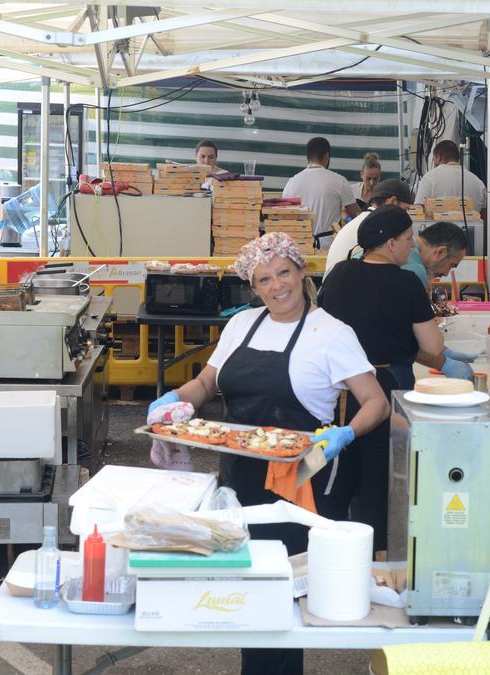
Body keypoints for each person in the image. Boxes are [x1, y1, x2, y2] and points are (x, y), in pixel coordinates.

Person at [147, 232, 389, 675]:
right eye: (264, 279)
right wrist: (176, 400)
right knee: (247, 582)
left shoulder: (331, 333)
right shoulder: (242, 325)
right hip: (240, 468)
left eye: (284, 273)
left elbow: (376, 402)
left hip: (303, 472)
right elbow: (206, 384)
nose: (278, 286)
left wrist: (344, 434)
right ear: (253, 287)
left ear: (302, 272)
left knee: (282, 588)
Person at [318, 205, 465, 551]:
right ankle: (377, 554)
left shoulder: (339, 273)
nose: (411, 245)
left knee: (336, 469)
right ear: (389, 243)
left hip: (338, 388)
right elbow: (432, 343)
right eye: (408, 239)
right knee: (380, 474)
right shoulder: (404, 283)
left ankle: (328, 544)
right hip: (385, 389)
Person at [282, 136, 361, 250]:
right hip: (329, 247)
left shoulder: (291, 183)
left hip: (300, 246)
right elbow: (357, 215)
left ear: (307, 157)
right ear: (327, 156)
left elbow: (285, 218)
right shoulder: (339, 181)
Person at [325, 178, 412, 277]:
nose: (406, 216)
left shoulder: (365, 221)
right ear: (392, 201)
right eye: (405, 210)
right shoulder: (376, 227)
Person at [413, 139, 487, 220]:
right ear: (457, 158)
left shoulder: (430, 178)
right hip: (471, 232)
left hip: (438, 230)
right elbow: (484, 216)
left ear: (438, 157)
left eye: (433, 159)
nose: (433, 162)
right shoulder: (478, 182)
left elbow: (418, 210)